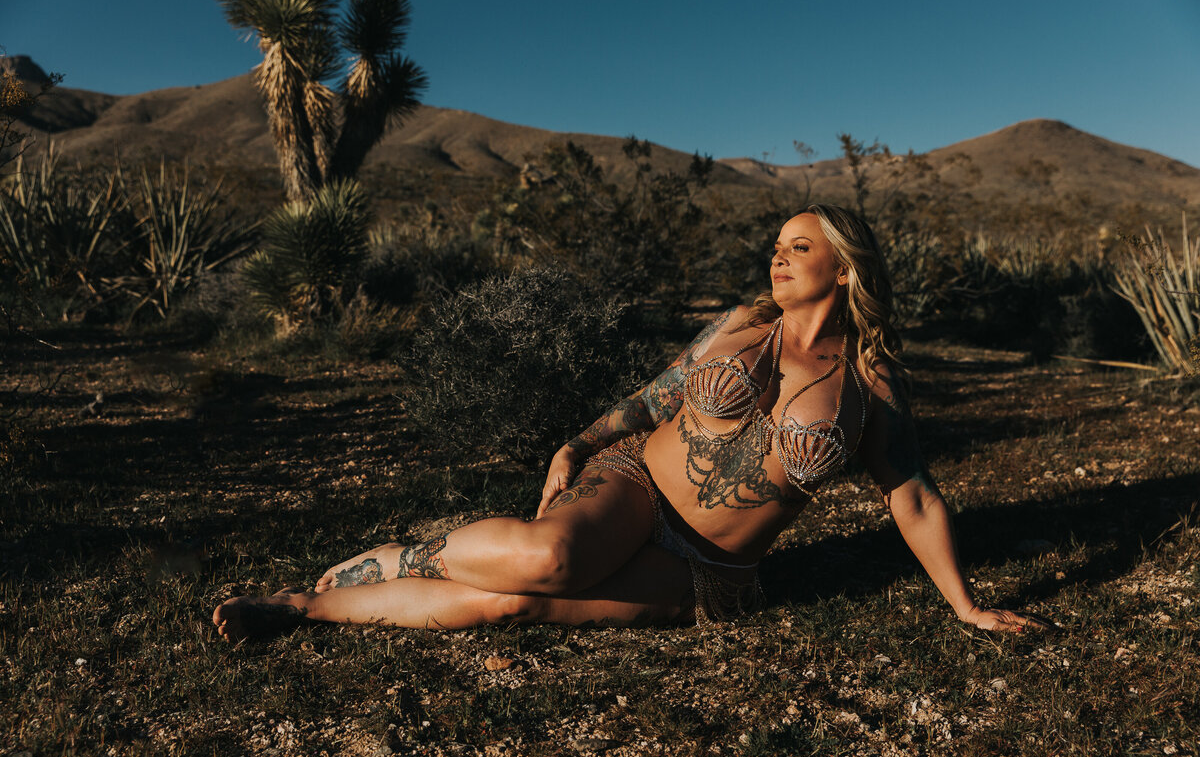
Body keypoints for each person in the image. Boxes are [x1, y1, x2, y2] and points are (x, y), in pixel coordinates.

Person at [213, 204, 1049, 641]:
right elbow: (655, 399)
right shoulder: (740, 325)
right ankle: (370, 573)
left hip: (713, 571)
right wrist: (578, 443)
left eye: (799, 245)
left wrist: (967, 608)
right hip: (638, 486)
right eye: (777, 244)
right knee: (546, 556)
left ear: (844, 263)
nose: (779, 256)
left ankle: (307, 609)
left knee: (516, 606)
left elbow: (913, 498)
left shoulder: (873, 382)